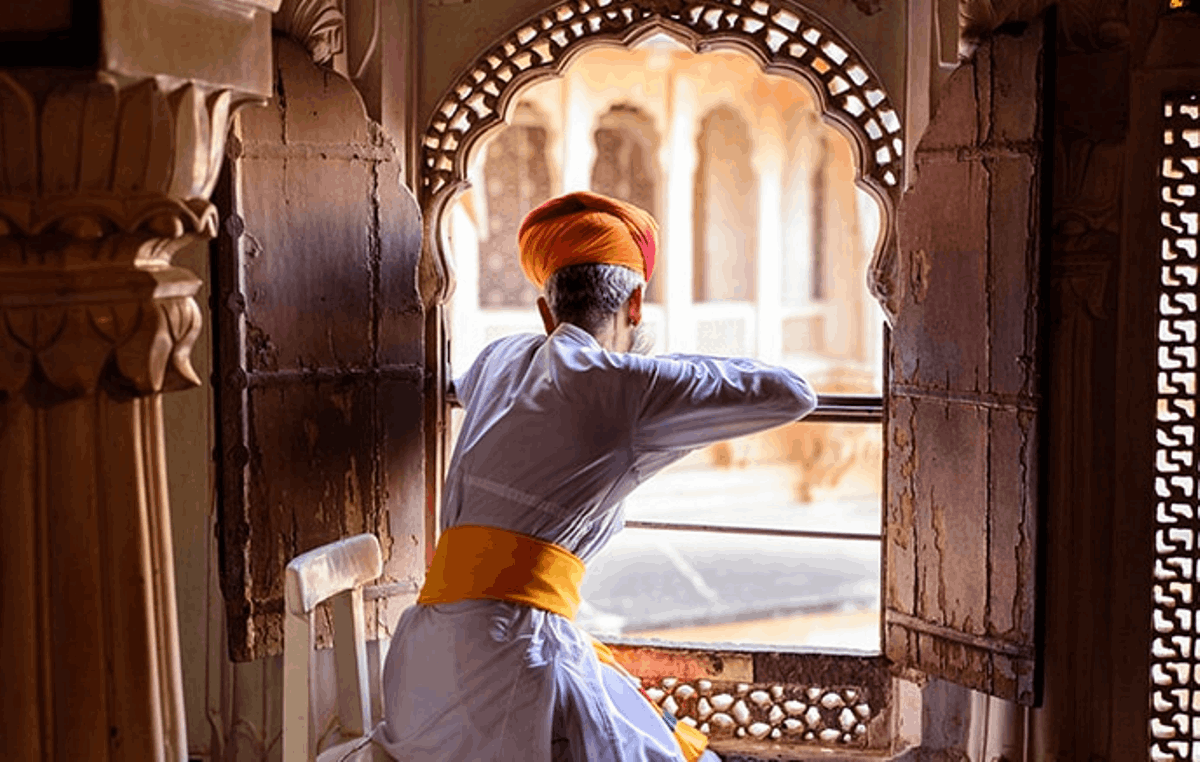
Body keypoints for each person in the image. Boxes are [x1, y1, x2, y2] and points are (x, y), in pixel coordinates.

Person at [377, 191, 818, 761]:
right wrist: (654, 372)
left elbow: (476, 392)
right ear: (636, 304)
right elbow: (793, 393)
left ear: (546, 313)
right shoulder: (621, 387)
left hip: (420, 664)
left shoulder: (497, 359)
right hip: (509, 677)